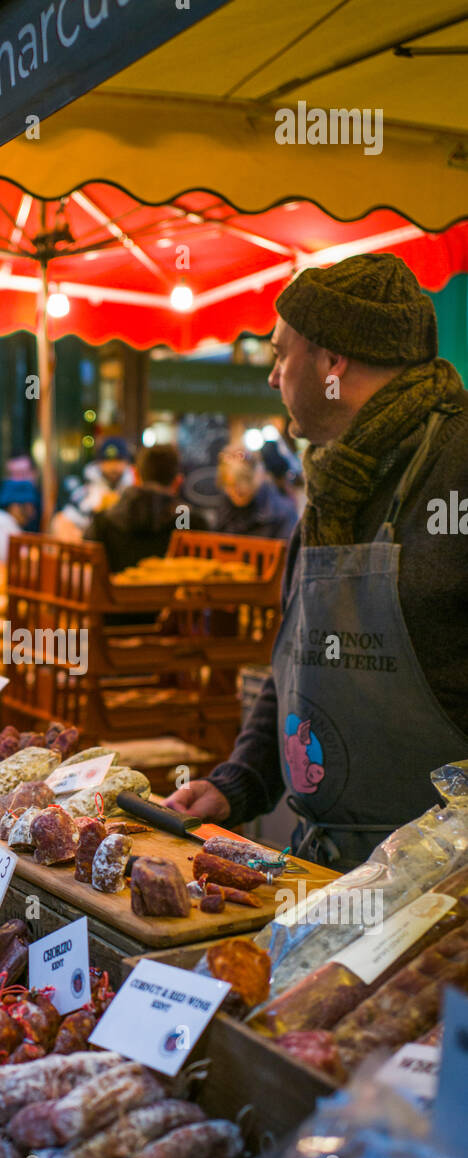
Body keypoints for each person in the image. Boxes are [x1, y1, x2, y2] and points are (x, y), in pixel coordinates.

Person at [166, 252, 468, 868]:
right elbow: (299, 664)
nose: (272, 378)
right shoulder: (333, 485)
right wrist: (236, 783)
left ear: (333, 361)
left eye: (281, 354)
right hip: (324, 868)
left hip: (447, 891)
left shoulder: (457, 464)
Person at [85, 443, 207, 572]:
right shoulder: (192, 522)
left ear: (136, 476)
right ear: (178, 482)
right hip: (173, 592)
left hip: (117, 591)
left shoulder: (103, 522)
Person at [52, 437, 135, 540]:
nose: (113, 466)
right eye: (108, 461)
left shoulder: (135, 489)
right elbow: (63, 520)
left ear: (127, 463)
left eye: (118, 460)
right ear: (99, 463)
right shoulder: (84, 488)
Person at [214, 446, 299, 541]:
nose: (236, 491)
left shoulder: (284, 512)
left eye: (243, 482)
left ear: (258, 476)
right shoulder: (225, 507)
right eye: (229, 485)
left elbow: (288, 553)